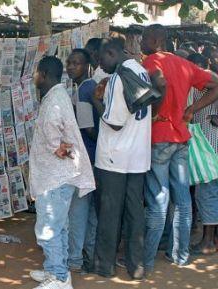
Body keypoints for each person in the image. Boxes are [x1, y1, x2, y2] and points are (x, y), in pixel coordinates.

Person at [140, 24, 218, 273]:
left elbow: (157, 88)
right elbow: (215, 83)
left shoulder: (151, 63)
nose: (141, 44)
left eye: (143, 39)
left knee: (158, 200)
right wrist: (191, 110)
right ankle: (180, 255)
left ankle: (148, 259)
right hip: (181, 137)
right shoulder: (185, 64)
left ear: (154, 40)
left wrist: (153, 114)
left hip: (158, 137)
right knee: (183, 201)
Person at [29, 56, 95, 289]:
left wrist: (56, 147)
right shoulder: (56, 95)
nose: (35, 77)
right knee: (60, 225)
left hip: (54, 179)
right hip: (56, 177)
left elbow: (53, 130)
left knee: (49, 227)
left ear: (44, 74)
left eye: (36, 73)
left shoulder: (55, 99)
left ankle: (58, 278)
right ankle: (56, 270)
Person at [91, 38, 151, 280]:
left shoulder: (117, 79)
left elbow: (114, 123)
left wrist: (95, 100)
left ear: (111, 53)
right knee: (135, 213)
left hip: (114, 157)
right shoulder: (141, 71)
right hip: (138, 156)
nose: (100, 66)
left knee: (109, 213)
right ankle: (136, 266)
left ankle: (105, 266)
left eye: (100, 59)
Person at [65, 48, 98, 274]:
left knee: (78, 209)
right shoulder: (87, 87)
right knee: (90, 210)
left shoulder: (84, 89)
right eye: (69, 62)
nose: (71, 67)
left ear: (87, 66)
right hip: (94, 156)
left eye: (76, 63)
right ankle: (89, 254)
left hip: (85, 157)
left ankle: (75, 259)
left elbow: (87, 127)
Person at [187, 53, 218, 255]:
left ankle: (208, 242)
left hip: (208, 144)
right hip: (206, 141)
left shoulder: (207, 79)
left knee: (207, 192)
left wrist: (193, 108)